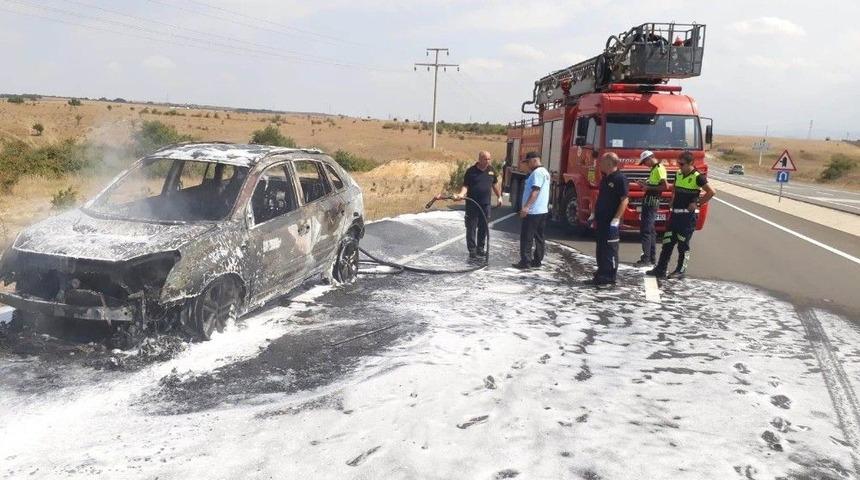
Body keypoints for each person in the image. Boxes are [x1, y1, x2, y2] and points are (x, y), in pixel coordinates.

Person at [646, 151, 716, 279]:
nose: (679, 166)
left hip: (687, 218)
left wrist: (698, 203)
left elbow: (711, 192)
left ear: (691, 163)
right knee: (667, 242)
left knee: (683, 245)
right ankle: (661, 269)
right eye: (679, 163)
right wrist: (672, 200)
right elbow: (674, 189)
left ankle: (680, 270)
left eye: (682, 164)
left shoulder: (698, 177)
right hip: (675, 215)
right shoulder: (678, 174)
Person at [588, 152, 629, 286]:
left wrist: (616, 219)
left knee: (610, 249)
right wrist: (593, 213)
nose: (600, 164)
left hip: (611, 221)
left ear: (610, 163)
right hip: (601, 220)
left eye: (602, 162)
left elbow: (624, 200)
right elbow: (600, 197)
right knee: (601, 249)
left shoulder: (620, 179)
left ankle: (609, 277)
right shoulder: (605, 179)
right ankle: (601, 273)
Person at [454, 151, 502, 259]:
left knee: (483, 227)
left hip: (485, 205)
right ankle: (472, 250)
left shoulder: (491, 171)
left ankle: (480, 248)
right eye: (486, 159)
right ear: (480, 159)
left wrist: (499, 197)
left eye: (489, 159)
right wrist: (461, 194)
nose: (488, 161)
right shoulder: (471, 171)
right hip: (472, 204)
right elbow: (465, 186)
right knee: (471, 227)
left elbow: (495, 185)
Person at [512, 152, 550, 270]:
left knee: (527, 237)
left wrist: (526, 207)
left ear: (534, 160)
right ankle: (537, 260)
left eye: (528, 162)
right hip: (542, 210)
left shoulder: (537, 173)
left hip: (533, 211)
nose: (527, 165)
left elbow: (535, 191)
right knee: (539, 236)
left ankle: (525, 262)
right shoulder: (545, 172)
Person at [635, 150, 668, 267]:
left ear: (649, 158)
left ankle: (646, 259)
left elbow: (665, 186)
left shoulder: (659, 168)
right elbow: (655, 184)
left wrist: (647, 187)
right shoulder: (654, 169)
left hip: (652, 201)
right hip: (649, 200)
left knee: (646, 230)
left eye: (644, 162)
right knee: (651, 230)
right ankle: (652, 257)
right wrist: (645, 184)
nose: (645, 165)